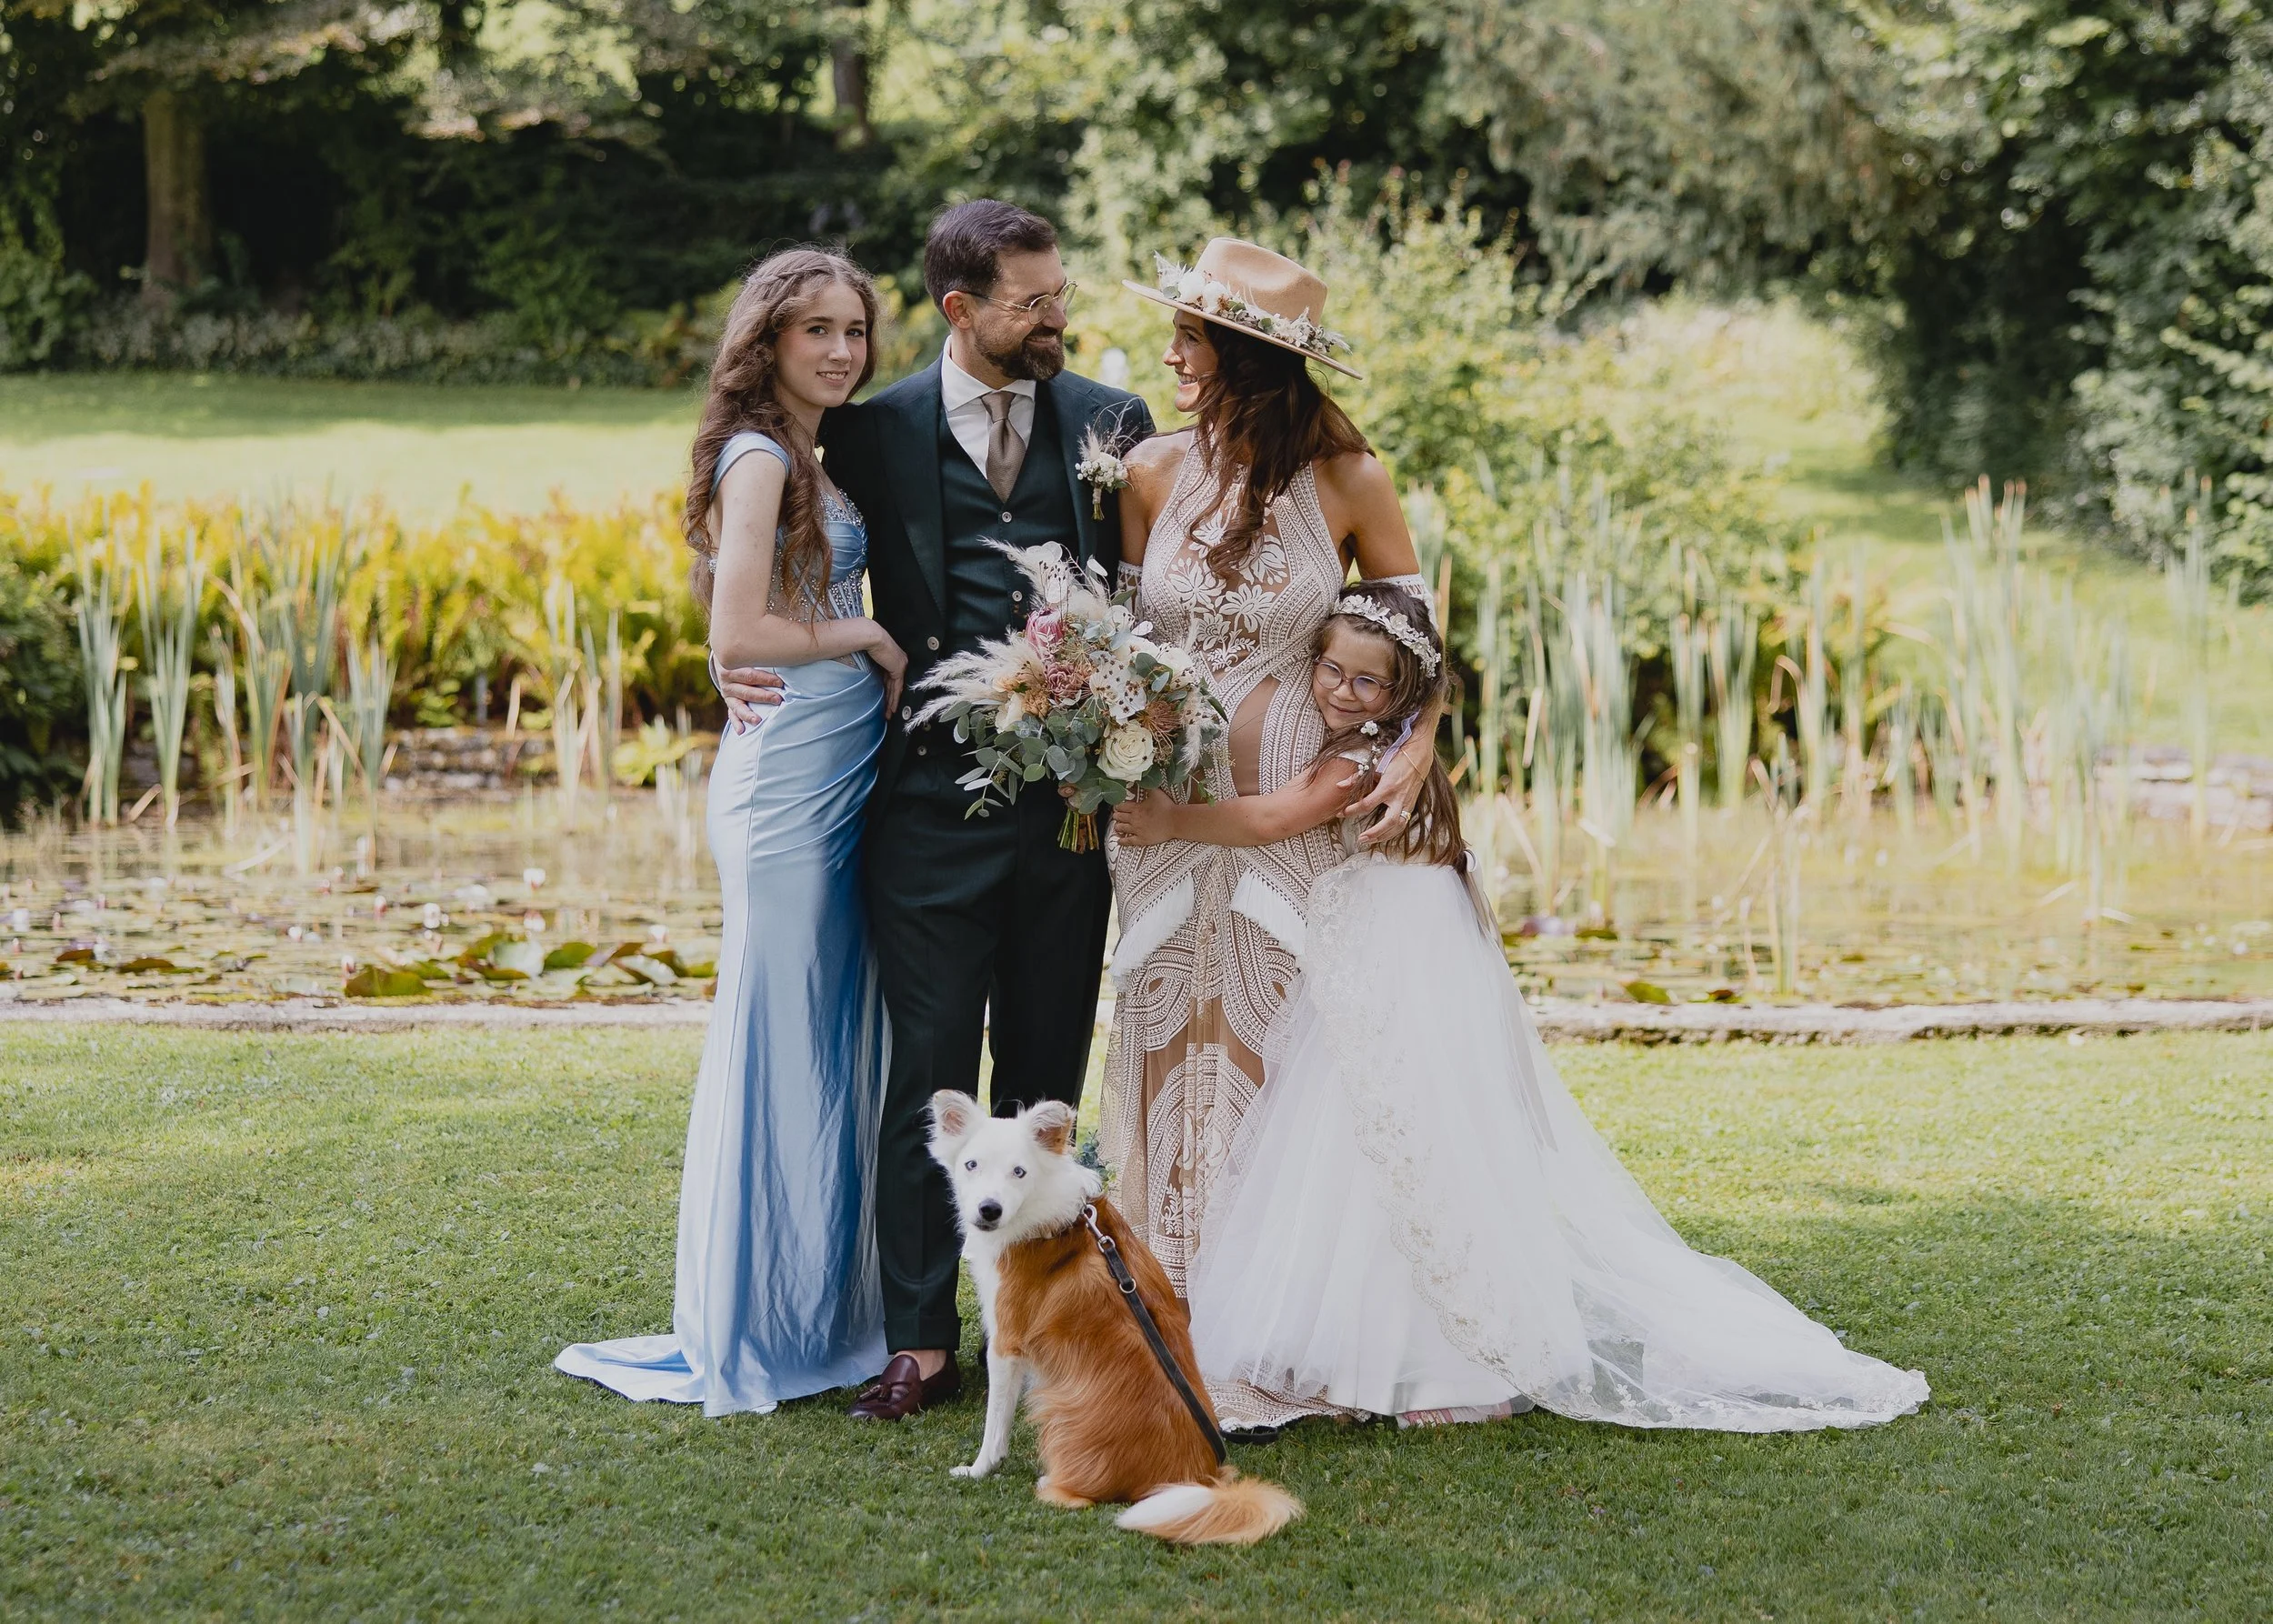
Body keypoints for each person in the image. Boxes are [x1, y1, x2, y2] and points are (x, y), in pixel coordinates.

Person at [1116, 583, 1932, 1435]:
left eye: (1366, 681)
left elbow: (1275, 819)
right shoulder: (1385, 747)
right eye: (1331, 670)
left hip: (1399, 950)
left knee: (1393, 1137)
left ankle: (1454, 1368)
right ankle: (1381, 1355)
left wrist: (1173, 820)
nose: (1341, 692)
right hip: (1394, 938)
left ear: (1401, 694)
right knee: (1376, 1144)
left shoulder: (1363, 761)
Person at [720, 200, 1156, 1421]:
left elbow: (1152, 591)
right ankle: (919, 1339)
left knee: (1044, 1079)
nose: (1056, 316)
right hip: (920, 815)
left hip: (1069, 815)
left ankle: (1045, 1329)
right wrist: (727, 640)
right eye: (1033, 300)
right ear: (961, 309)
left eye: (1061, 294)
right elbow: (751, 528)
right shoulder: (869, 432)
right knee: (929, 1076)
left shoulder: (1114, 422)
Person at [555, 248, 906, 1414]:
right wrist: (865, 634)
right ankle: (760, 1320)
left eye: (854, 329)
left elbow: (738, 606)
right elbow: (741, 631)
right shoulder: (759, 456)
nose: (842, 351)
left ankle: (823, 1309)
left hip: (836, 771)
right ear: (768, 341)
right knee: (781, 1034)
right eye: (817, 330)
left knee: (831, 1036)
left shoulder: (807, 452)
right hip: (789, 785)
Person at [1100, 238, 1437, 1309]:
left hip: (1296, 810)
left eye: (1188, 339)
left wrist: (1415, 743)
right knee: (1163, 1020)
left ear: (1246, 356)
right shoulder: (1149, 473)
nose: (1170, 356)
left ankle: (1284, 1305)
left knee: (1280, 1035)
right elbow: (1116, 638)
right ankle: (1170, 1286)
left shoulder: (1349, 479)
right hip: (1160, 803)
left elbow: (1417, 641)